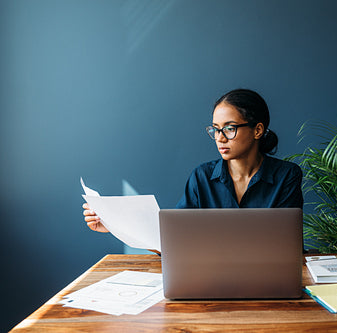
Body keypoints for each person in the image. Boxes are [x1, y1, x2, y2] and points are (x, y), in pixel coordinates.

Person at [83, 88, 303, 233]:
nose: (220, 138)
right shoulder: (203, 177)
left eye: (229, 128)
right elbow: (174, 236)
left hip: (267, 276)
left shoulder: (286, 176)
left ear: (257, 130)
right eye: (215, 129)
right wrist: (113, 225)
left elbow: (285, 243)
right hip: (210, 276)